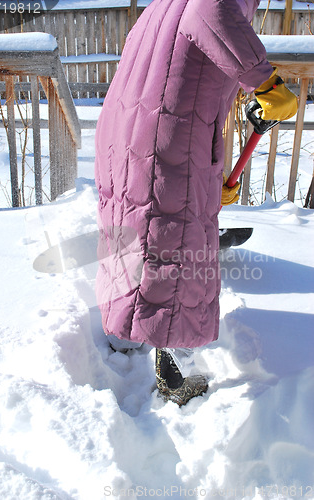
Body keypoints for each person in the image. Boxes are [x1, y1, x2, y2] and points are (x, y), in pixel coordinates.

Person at [94, 0, 298, 406]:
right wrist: (266, 82)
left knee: (138, 234)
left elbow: (180, 78)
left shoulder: (160, 6)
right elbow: (212, 11)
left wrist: (209, 175)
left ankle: (125, 334)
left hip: (128, 132)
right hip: (163, 140)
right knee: (178, 251)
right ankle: (172, 374)